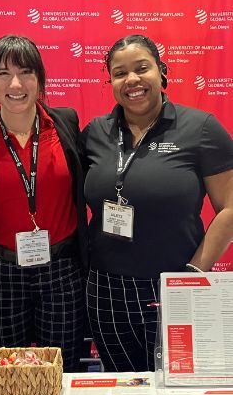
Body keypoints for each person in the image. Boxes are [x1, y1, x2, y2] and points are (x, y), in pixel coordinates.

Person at [81, 33, 233, 372]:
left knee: (175, 388)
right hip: (105, 289)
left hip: (174, 284)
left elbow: (230, 208)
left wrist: (192, 275)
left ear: (162, 73)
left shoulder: (201, 129)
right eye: (120, 73)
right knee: (122, 388)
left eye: (142, 68)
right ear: (110, 82)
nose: (131, 80)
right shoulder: (95, 133)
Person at [0, 34, 88, 371]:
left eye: (26, 72)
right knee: (6, 372)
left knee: (62, 369)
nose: (16, 83)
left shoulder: (65, 123)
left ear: (40, 80)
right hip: (1, 271)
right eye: (3, 74)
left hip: (61, 270)